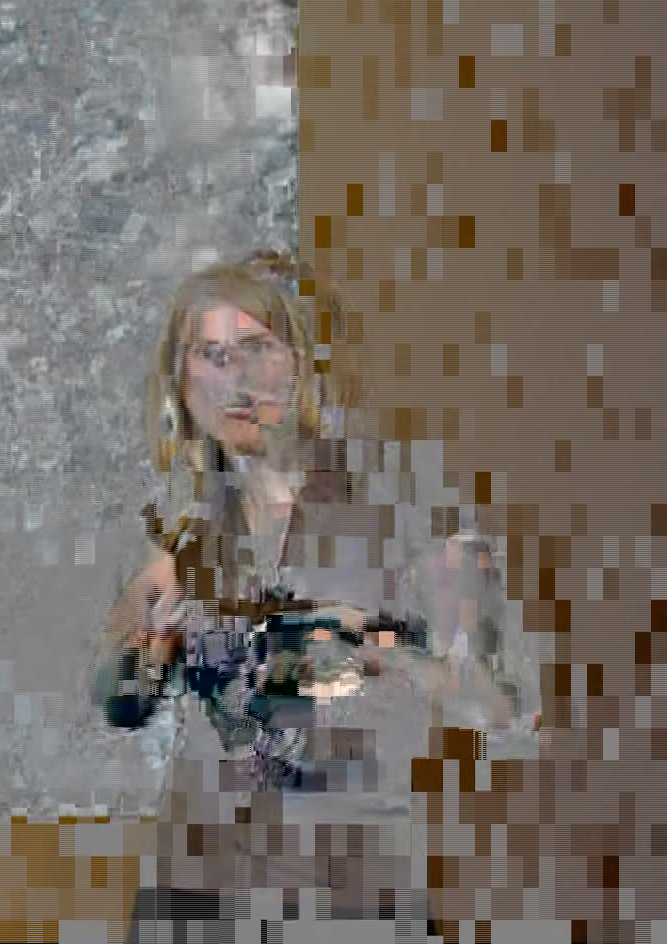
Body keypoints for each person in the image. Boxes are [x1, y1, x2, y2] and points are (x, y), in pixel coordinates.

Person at [90, 250, 542, 942]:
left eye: (256, 348)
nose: (236, 379)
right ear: (178, 379)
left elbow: (504, 707)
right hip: (192, 898)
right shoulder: (175, 523)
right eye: (211, 355)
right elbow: (118, 703)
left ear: (304, 359)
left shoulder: (410, 500)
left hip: (350, 899)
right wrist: (143, 649)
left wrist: (375, 648)